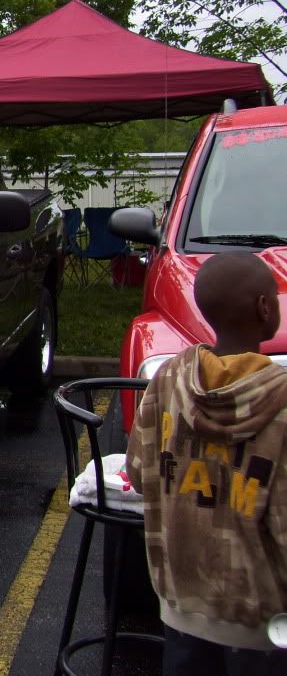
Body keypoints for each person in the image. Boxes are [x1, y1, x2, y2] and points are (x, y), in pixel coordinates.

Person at [127, 251, 287, 675]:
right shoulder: (282, 405)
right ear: (265, 307)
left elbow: (140, 474)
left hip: (182, 606)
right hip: (264, 628)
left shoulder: (166, 381)